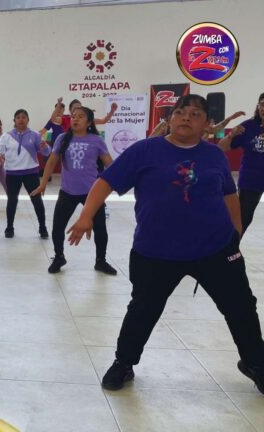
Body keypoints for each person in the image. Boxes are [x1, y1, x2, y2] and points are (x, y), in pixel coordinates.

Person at [67, 94, 264, 394]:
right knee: (143, 309)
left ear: (207, 124)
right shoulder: (145, 150)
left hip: (215, 249)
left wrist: (235, 232)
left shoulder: (214, 155)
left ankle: (256, 364)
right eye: (181, 112)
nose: (186, 118)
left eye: (195, 114)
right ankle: (124, 362)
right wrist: (86, 216)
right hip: (156, 251)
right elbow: (106, 181)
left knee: (241, 307)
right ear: (170, 119)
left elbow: (228, 193)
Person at [31, 107, 117, 275]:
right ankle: (59, 257)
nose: (75, 119)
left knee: (100, 229)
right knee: (57, 228)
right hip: (67, 191)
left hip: (92, 193)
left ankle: (101, 261)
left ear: (89, 122)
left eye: (80, 117)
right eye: (73, 116)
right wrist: (43, 184)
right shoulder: (62, 138)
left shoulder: (96, 140)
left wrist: (117, 182)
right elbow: (51, 161)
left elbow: (110, 165)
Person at [0, 109, 50, 239]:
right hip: (12, 174)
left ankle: (43, 228)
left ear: (28, 120)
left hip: (31, 173)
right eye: (18, 117)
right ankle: (9, 227)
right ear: (14, 120)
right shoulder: (6, 136)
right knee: (12, 201)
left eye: (24, 117)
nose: (21, 119)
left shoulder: (35, 135)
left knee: (37, 200)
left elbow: (47, 152)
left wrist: (45, 147)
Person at [217, 94, 264, 235]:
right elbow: (221, 147)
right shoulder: (248, 126)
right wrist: (231, 135)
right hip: (251, 180)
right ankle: (232, 246)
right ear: (258, 107)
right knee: (243, 219)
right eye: (262, 104)